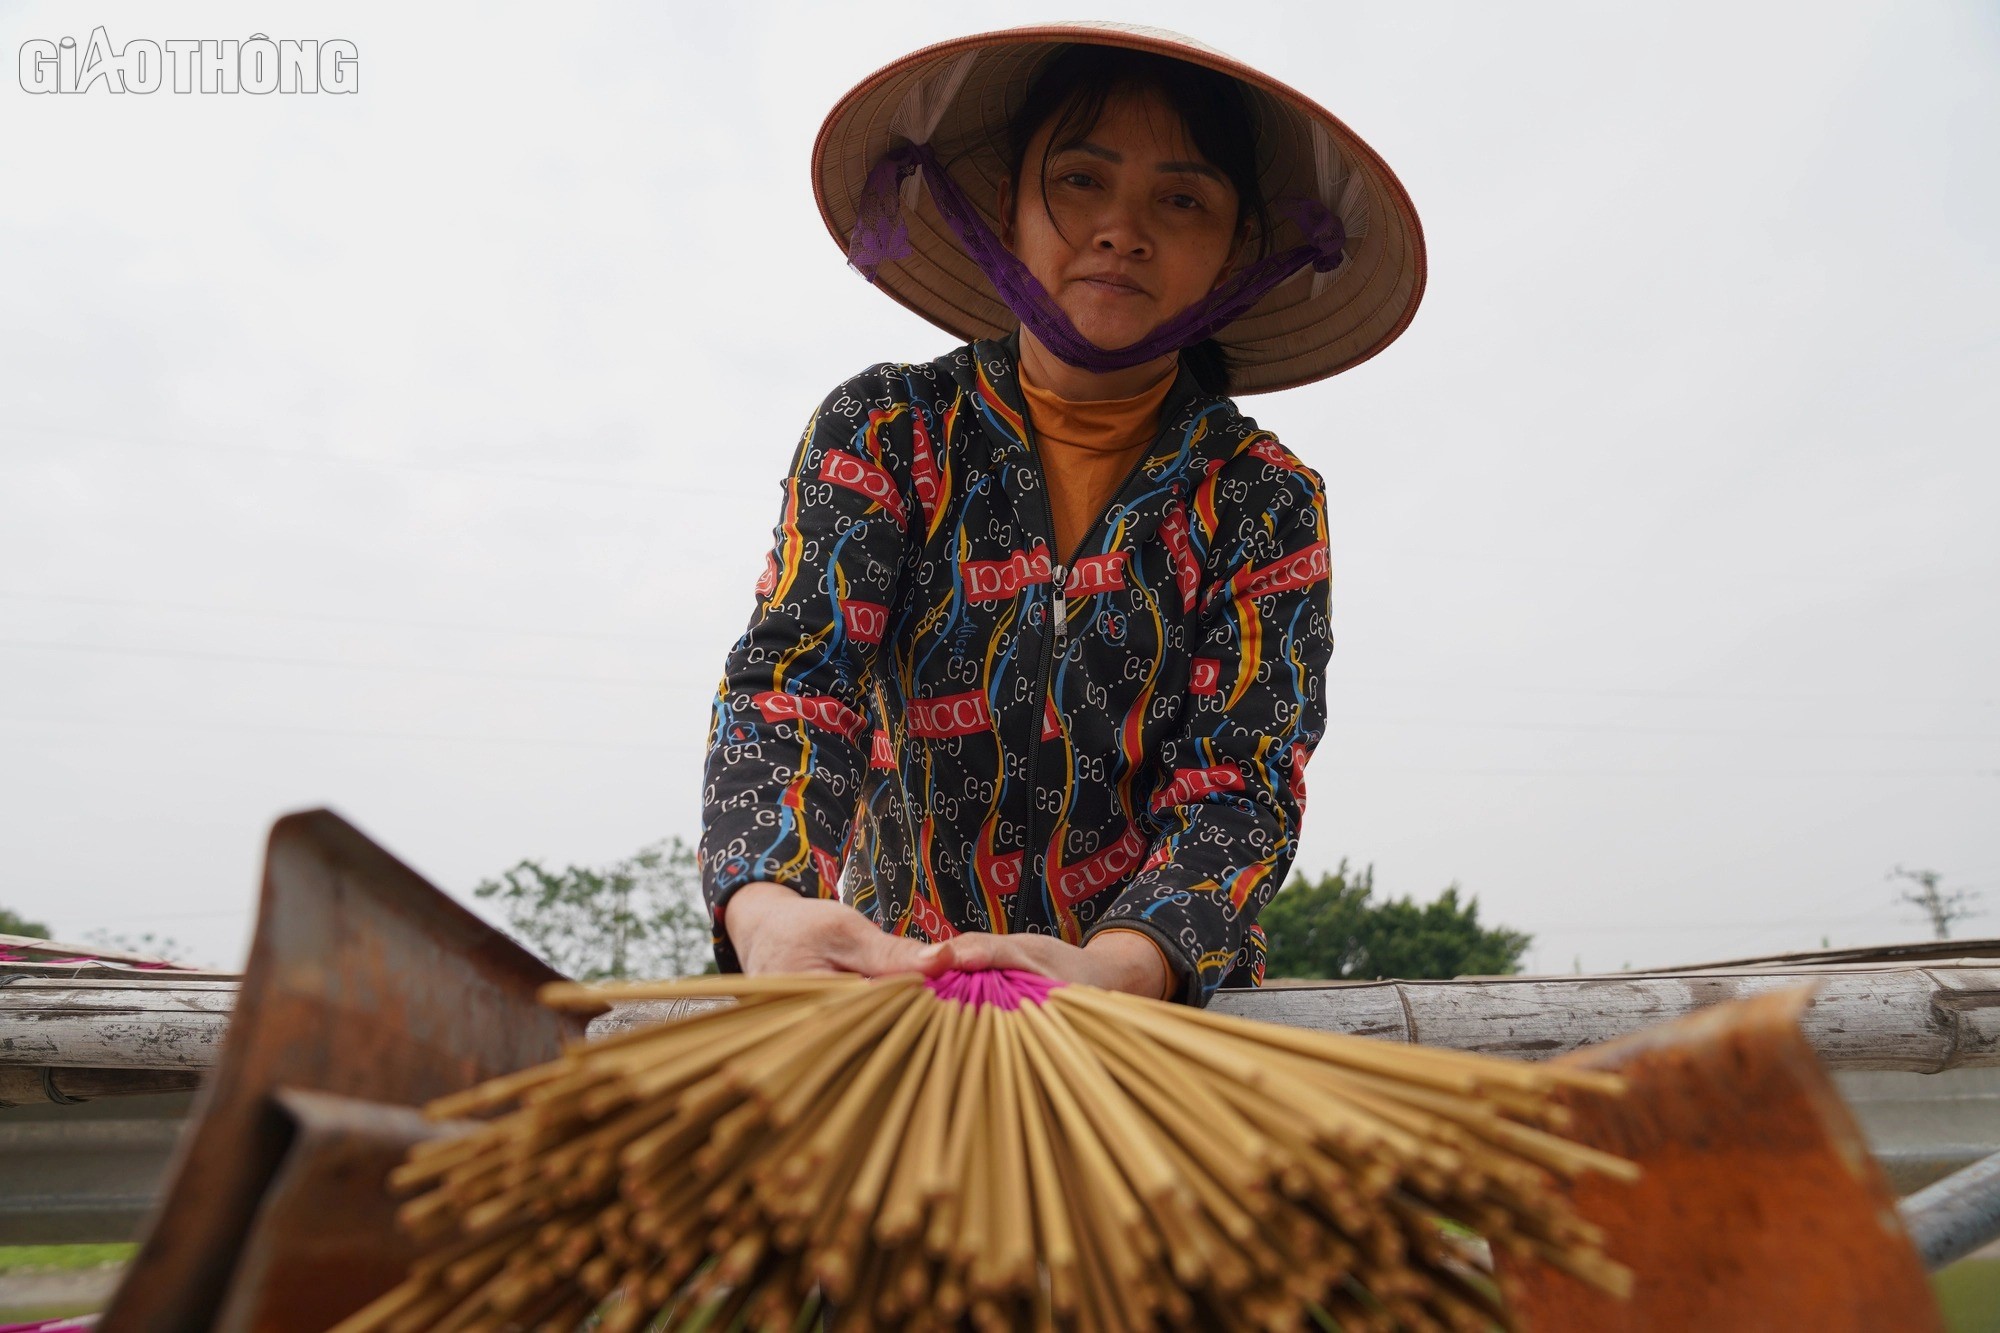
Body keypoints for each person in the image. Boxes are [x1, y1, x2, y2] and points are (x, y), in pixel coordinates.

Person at [699, 25, 1423, 1006]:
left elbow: (1238, 787)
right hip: (902, 997)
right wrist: (769, 910)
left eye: (1180, 198)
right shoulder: (886, 432)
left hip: (1149, 1021)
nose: (1122, 230)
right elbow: (792, 689)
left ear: (1236, 247)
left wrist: (1116, 966)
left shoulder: (1261, 499)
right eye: (1081, 180)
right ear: (1006, 207)